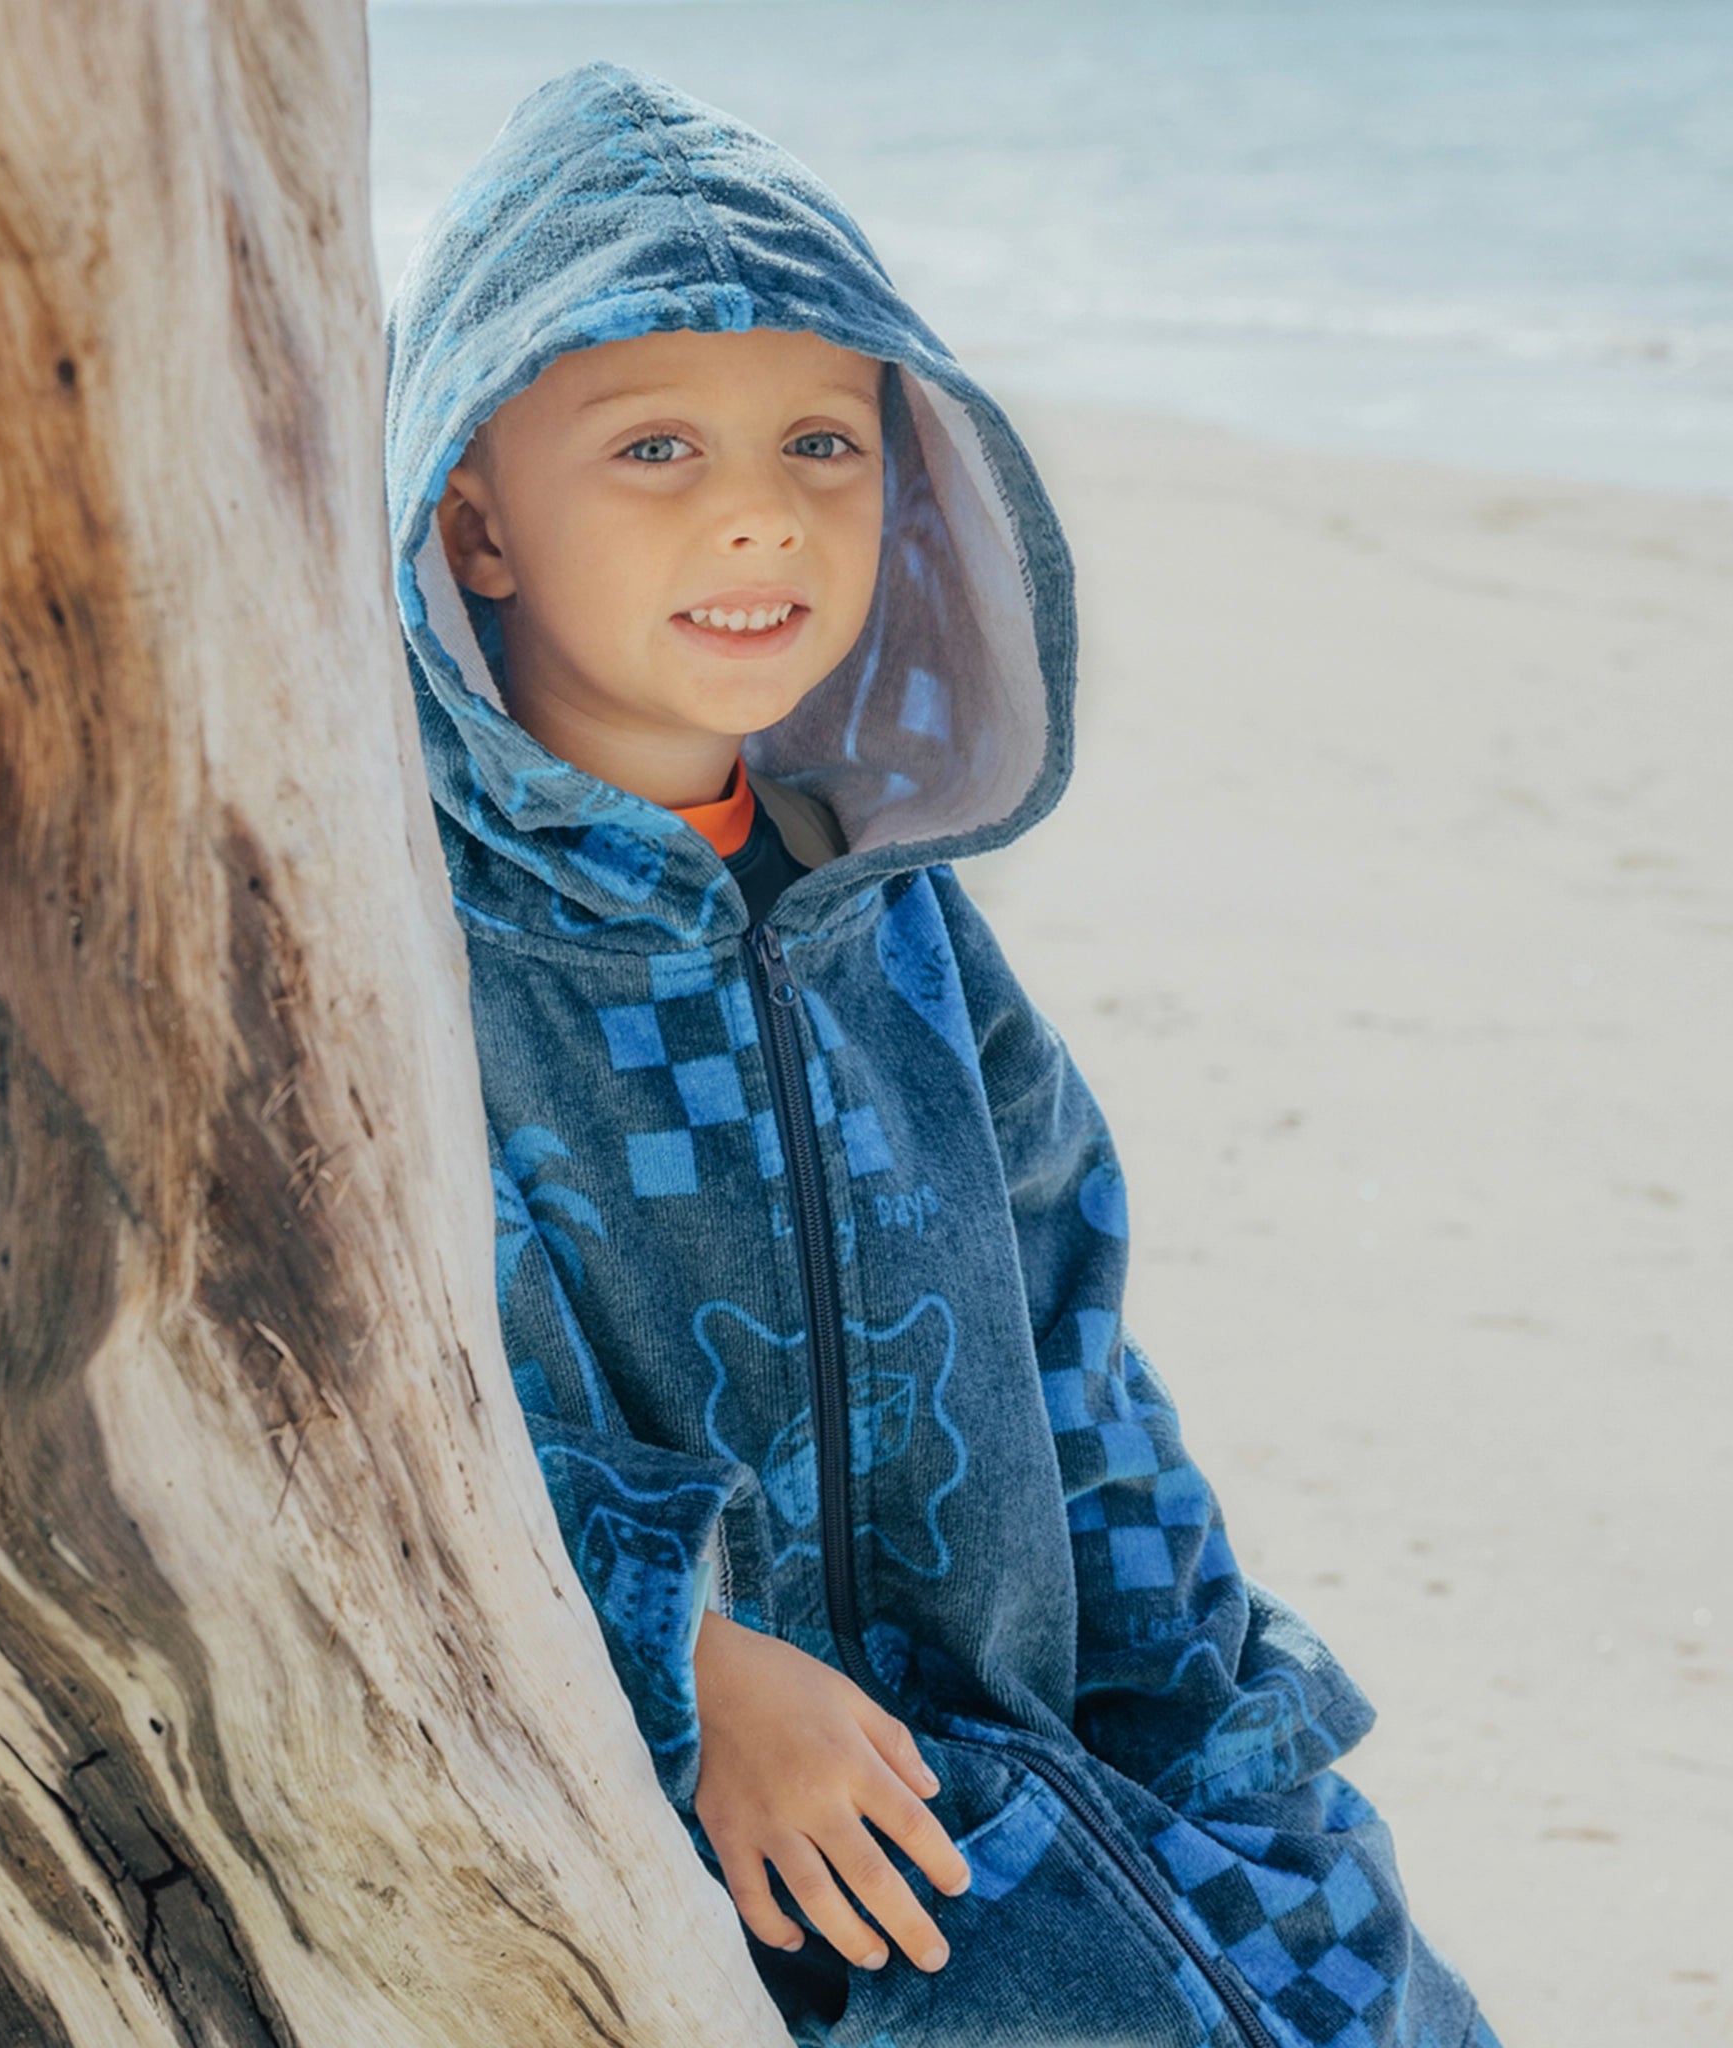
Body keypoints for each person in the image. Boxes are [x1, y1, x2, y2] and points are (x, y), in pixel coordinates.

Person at [382, 58, 1500, 2048]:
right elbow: (358, 1401)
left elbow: (1073, 1317)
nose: (757, 509)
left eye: (821, 440)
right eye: (652, 448)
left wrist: (1217, 1721)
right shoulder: (409, 953)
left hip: (1027, 1769)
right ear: (473, 518)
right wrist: (690, 1662)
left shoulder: (883, 910)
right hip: (673, 1837)